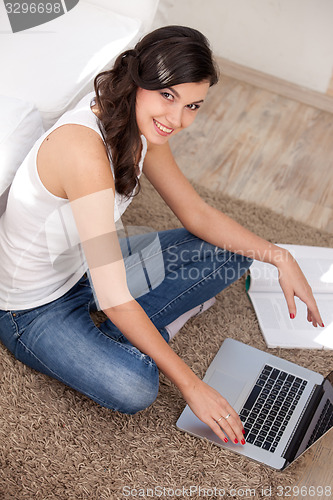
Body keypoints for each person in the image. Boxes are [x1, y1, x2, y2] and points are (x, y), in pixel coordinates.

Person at [0, 26, 323, 447]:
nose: (177, 119)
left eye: (192, 106)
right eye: (167, 96)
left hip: (84, 267)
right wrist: (192, 385)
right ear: (137, 80)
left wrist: (280, 256)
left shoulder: (143, 127)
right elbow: (115, 298)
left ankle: (131, 334)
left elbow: (195, 213)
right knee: (135, 385)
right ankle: (140, 336)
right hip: (31, 309)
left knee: (233, 253)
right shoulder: (83, 151)